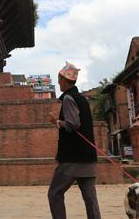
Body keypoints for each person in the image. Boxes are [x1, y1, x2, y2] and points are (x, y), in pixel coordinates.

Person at [47, 62, 101, 219]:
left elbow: (72, 125)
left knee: (54, 194)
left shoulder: (69, 98)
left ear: (64, 80)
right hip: (88, 157)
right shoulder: (83, 99)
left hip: (73, 159)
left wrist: (57, 122)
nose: (58, 83)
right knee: (91, 200)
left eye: (59, 79)